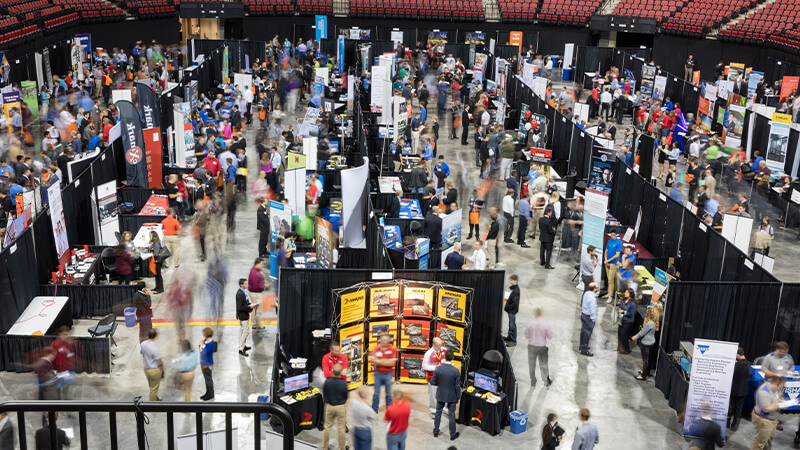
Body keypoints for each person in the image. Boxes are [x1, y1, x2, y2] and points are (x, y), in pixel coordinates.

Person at [431, 350, 461, 441]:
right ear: (453, 358)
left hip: (441, 394)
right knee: (452, 414)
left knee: (438, 413)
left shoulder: (438, 369)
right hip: (452, 396)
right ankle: (452, 435)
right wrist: (458, 396)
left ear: (444, 357)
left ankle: (436, 432)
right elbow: (457, 387)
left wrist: (440, 386)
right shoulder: (456, 371)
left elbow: (432, 382)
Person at [751, 376, 784, 449]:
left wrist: (781, 401)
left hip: (773, 420)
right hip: (764, 421)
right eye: (779, 386)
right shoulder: (764, 391)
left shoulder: (774, 389)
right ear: (775, 384)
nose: (779, 389)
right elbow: (766, 408)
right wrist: (779, 404)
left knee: (768, 439)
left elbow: (778, 397)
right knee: (759, 442)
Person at [322, 364, 349, 450]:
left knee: (327, 427)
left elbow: (324, 394)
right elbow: (346, 396)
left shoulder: (327, 382)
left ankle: (325, 447)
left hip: (329, 406)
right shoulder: (343, 384)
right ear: (341, 372)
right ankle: (341, 448)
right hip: (340, 407)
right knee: (341, 429)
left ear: (332, 371)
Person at [526, 308, 553, 387]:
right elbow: (550, 336)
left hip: (531, 347)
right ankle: (546, 380)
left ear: (535, 314)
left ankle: (533, 381)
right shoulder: (545, 324)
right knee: (543, 364)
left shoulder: (530, 323)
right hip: (542, 347)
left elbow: (527, 335)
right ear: (541, 314)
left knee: (531, 364)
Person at [631, 306, 659, 380]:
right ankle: (646, 372)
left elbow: (641, 333)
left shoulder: (649, 324)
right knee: (648, 359)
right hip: (651, 342)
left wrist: (634, 337)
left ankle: (643, 376)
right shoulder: (653, 322)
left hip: (646, 344)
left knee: (645, 360)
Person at [371, 334, 398, 412]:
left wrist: (380, 361)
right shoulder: (376, 348)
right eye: (383, 340)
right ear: (380, 340)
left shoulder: (392, 349)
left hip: (388, 374)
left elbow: (392, 363)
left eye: (386, 340)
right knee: (376, 394)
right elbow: (373, 361)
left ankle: (389, 410)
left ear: (389, 341)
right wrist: (385, 361)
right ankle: (374, 410)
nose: (384, 342)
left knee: (389, 394)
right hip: (378, 374)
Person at [728, 347, 751, 431]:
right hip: (743, 390)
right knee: (739, 408)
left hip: (733, 389)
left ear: (737, 354)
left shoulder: (735, 365)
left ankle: (727, 424)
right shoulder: (749, 364)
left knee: (730, 407)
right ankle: (735, 426)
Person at [422, 337, 446, 415]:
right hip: (432, 378)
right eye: (437, 346)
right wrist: (436, 368)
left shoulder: (444, 350)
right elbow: (424, 366)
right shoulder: (428, 353)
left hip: (443, 378)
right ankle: (433, 410)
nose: (440, 347)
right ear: (433, 345)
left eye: (440, 345)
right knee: (433, 395)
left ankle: (444, 408)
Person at [141, 329, 164, 401]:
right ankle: (152, 405)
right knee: (153, 389)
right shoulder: (154, 348)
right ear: (155, 336)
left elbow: (142, 353)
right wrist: (163, 370)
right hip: (154, 370)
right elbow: (159, 361)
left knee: (152, 386)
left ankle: (156, 397)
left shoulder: (143, 344)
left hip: (146, 369)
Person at [236, 278, 254, 357]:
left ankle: (243, 346)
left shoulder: (243, 292)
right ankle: (241, 349)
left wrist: (250, 304)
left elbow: (245, 303)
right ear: (241, 285)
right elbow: (240, 307)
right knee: (246, 332)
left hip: (244, 314)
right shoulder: (240, 294)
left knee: (242, 331)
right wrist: (249, 308)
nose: (247, 285)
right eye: (245, 284)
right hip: (243, 315)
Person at [579, 283, 598, 356]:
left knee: (583, 332)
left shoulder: (586, 293)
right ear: (595, 289)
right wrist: (593, 319)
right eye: (597, 287)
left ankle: (583, 346)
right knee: (587, 334)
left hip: (583, 315)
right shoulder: (592, 298)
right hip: (588, 317)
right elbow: (593, 309)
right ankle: (584, 350)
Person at [247, 258, 266, 330]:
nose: (262, 265)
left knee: (255, 309)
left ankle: (254, 324)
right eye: (261, 264)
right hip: (256, 293)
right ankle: (258, 324)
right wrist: (263, 286)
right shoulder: (254, 273)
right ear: (257, 264)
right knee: (258, 310)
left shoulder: (256, 270)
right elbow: (256, 286)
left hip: (255, 293)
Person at [604, 230, 623, 301]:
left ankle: (610, 296)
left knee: (610, 280)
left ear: (616, 235)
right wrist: (606, 259)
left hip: (613, 264)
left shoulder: (619, 243)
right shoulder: (609, 241)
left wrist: (608, 261)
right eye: (611, 235)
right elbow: (606, 251)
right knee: (609, 279)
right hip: (607, 263)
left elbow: (617, 255)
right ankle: (609, 293)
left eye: (614, 235)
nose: (612, 236)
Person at [199, 327, 217, 401]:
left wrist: (200, 345)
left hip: (207, 364)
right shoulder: (205, 341)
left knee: (208, 379)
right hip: (204, 363)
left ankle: (211, 394)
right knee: (206, 379)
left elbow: (203, 353)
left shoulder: (210, 344)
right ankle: (207, 392)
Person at [617, 288, 637, 354]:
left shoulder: (632, 304)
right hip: (621, 320)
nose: (625, 294)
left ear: (630, 294)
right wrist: (620, 310)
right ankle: (620, 347)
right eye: (625, 292)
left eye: (627, 293)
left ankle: (626, 349)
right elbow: (620, 307)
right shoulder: (623, 301)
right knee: (620, 334)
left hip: (628, 321)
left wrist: (624, 312)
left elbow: (632, 314)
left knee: (624, 335)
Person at [504, 274, 520, 346]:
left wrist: (508, 307)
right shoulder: (513, 289)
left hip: (512, 311)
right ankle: (509, 337)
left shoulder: (516, 291)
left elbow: (514, 303)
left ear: (515, 281)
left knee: (512, 325)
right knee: (511, 324)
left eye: (511, 280)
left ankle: (513, 341)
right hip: (511, 310)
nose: (510, 281)